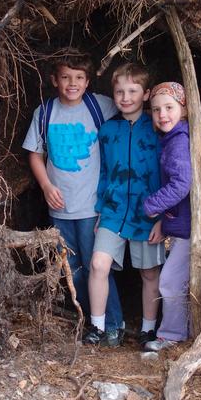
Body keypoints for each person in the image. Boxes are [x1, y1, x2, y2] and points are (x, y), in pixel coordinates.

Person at [22, 49, 124, 343]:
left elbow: (130, 109)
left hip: (93, 206)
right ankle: (94, 324)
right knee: (74, 269)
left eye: (79, 78)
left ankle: (114, 323)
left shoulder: (99, 107)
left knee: (98, 266)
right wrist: (45, 186)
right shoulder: (45, 113)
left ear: (88, 81)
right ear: (54, 80)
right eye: (66, 77)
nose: (72, 83)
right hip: (60, 208)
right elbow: (35, 154)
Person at [84, 62, 165, 347]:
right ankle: (97, 326)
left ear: (146, 94)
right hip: (113, 210)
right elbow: (104, 172)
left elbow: (170, 170)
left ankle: (148, 329)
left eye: (133, 90)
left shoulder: (157, 127)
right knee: (98, 264)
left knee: (149, 272)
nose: (125, 97)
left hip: (148, 211)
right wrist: (100, 209)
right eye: (119, 91)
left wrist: (162, 217)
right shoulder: (107, 130)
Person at [142, 81, 201, 351]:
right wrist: (164, 221)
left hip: (191, 227)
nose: (162, 115)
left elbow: (182, 183)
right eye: (156, 109)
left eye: (169, 107)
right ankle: (184, 332)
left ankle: (171, 335)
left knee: (169, 282)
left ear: (184, 109)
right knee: (180, 280)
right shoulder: (177, 137)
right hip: (183, 223)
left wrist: (152, 206)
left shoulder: (180, 141)